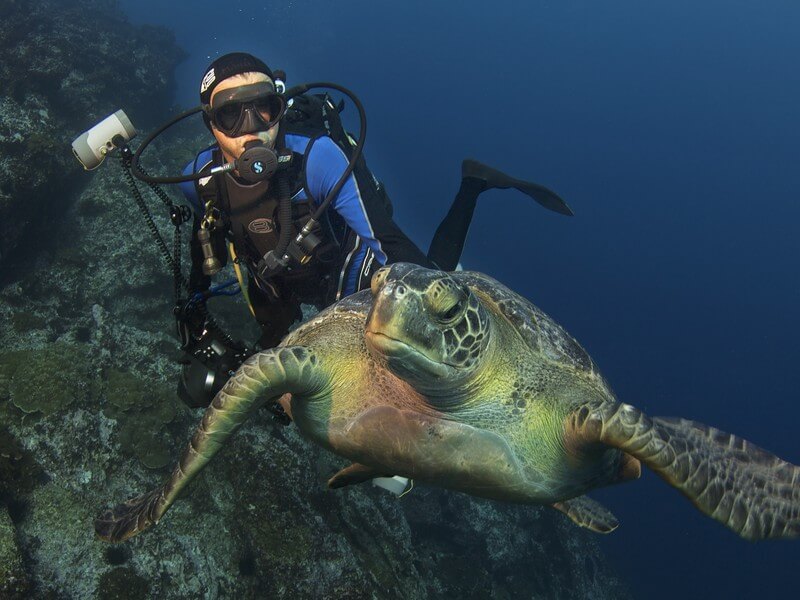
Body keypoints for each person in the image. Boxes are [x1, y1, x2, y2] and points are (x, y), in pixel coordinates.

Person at [177, 52, 570, 405]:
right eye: (231, 114)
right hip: (276, 285)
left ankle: (474, 184)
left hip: (350, 274)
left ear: (280, 109)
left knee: (431, 286)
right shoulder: (199, 180)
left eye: (265, 109)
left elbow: (388, 241)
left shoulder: (318, 159)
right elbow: (203, 242)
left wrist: (440, 308)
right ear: (210, 123)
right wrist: (194, 314)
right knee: (265, 371)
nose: (252, 128)